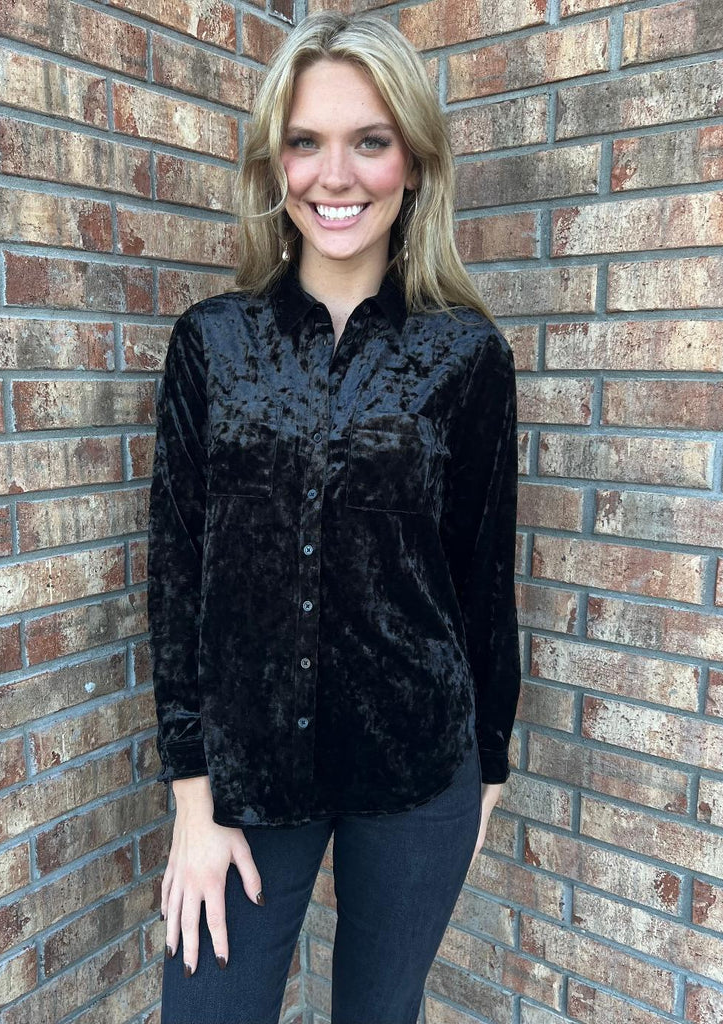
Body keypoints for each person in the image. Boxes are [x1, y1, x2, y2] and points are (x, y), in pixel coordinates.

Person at [147, 10, 521, 1023]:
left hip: (417, 771)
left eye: (370, 140)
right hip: (246, 774)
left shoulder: (467, 355)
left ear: (414, 162)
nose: (335, 174)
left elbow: (482, 574)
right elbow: (177, 579)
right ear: (274, 164)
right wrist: (192, 802)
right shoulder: (212, 344)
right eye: (305, 141)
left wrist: (487, 766)